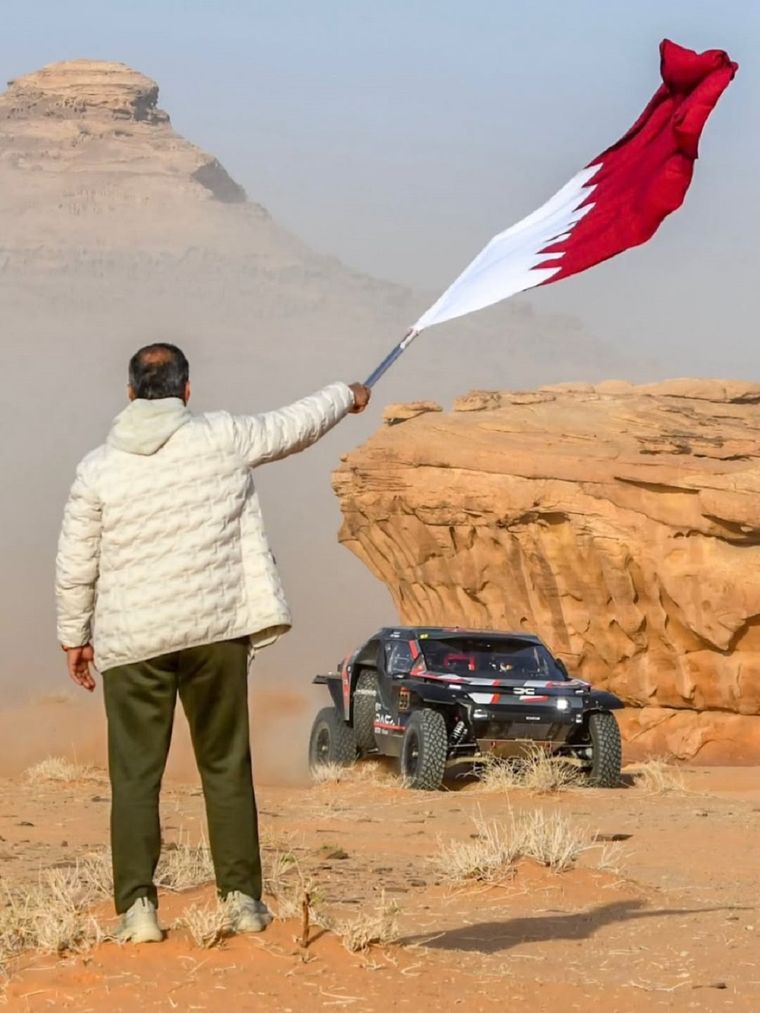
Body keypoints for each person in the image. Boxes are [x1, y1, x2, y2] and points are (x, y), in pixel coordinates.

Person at [55, 342, 370, 943]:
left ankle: (139, 912)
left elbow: (76, 564)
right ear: (187, 391)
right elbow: (293, 427)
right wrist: (345, 396)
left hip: (132, 642)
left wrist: (74, 636)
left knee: (135, 777)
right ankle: (244, 902)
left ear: (129, 394)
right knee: (225, 765)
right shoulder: (222, 436)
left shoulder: (97, 468)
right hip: (215, 633)